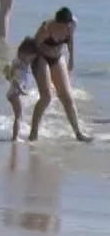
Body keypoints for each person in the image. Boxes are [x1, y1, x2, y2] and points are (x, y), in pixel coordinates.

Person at [27, 7, 90, 141]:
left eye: (67, 26)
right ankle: (33, 133)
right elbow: (32, 48)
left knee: (67, 97)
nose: (65, 28)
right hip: (41, 57)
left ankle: (78, 133)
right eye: (62, 26)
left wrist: (71, 59)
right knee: (46, 97)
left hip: (57, 58)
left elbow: (70, 41)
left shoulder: (72, 25)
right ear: (56, 22)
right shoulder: (46, 29)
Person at [6, 36, 38, 142]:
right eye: (31, 58)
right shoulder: (18, 62)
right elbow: (8, 73)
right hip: (14, 92)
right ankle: (15, 137)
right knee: (18, 116)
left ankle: (16, 135)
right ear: (25, 53)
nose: (31, 61)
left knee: (19, 115)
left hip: (15, 92)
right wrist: (18, 87)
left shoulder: (23, 63)